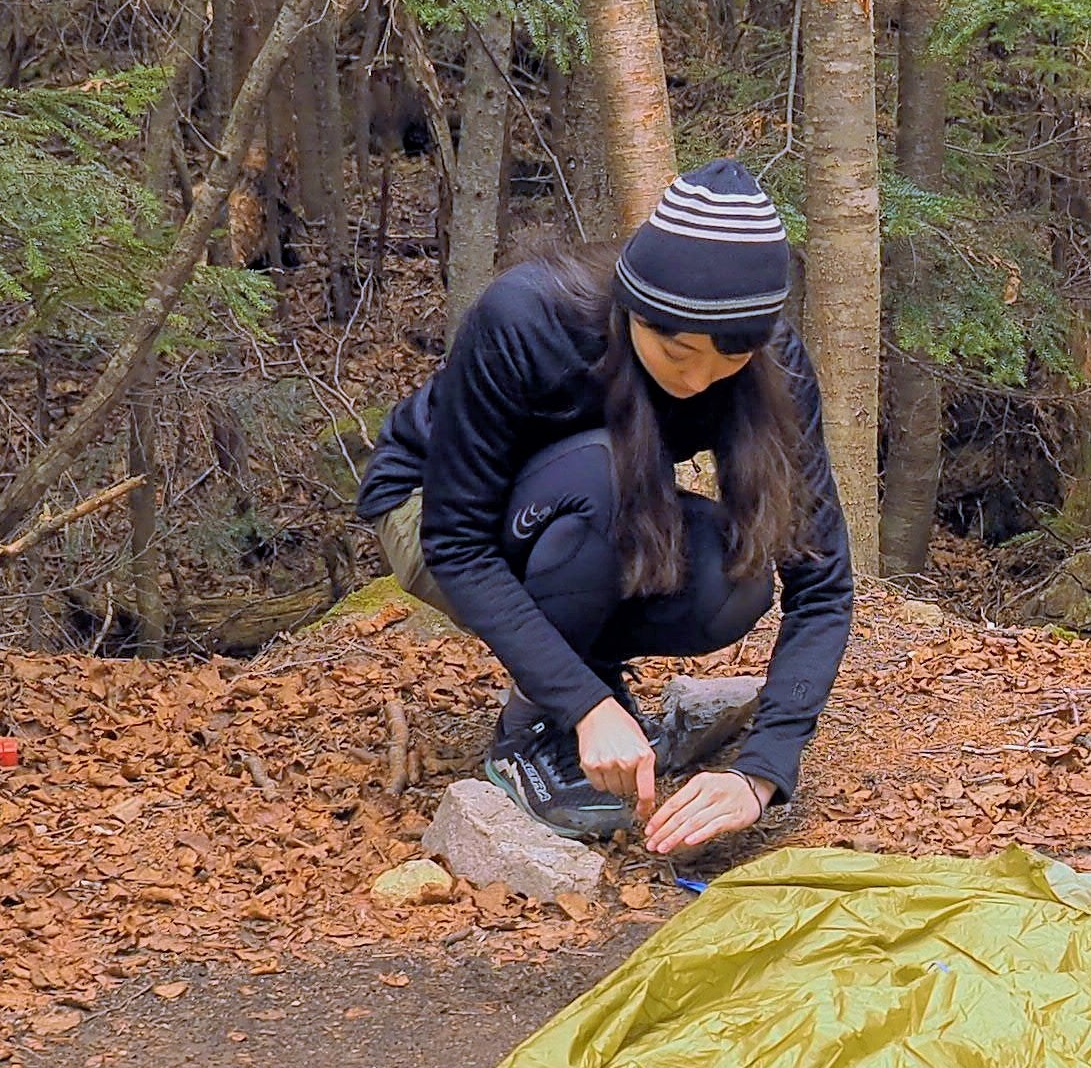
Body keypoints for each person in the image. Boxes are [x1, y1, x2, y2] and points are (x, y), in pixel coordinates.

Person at [356, 163, 855, 857]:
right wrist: (585, 707)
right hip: (432, 513)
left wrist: (761, 773)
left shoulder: (776, 367)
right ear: (632, 308)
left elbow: (823, 587)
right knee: (603, 476)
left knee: (734, 579)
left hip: (585, 507)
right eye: (675, 349)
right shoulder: (527, 319)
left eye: (728, 359)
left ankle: (588, 692)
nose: (696, 380)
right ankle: (538, 729)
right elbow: (457, 541)